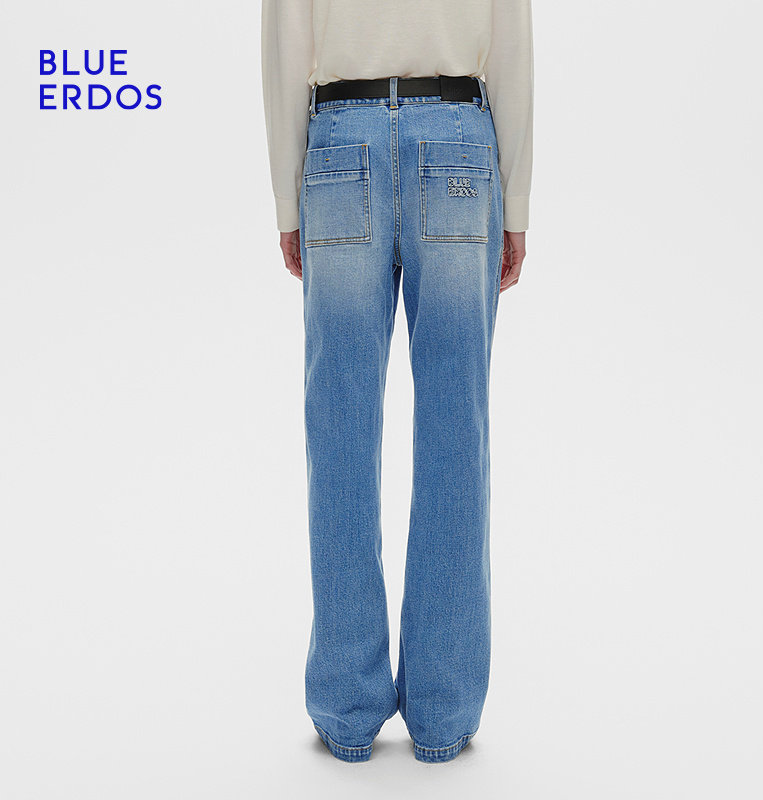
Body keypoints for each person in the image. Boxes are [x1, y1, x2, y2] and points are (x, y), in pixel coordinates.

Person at [261, 0, 533, 764]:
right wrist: (517, 197)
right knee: (457, 432)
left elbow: (285, 39)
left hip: (339, 142)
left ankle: (347, 707)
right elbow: (510, 39)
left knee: (339, 432)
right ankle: (444, 711)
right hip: (457, 139)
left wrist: (287, 195)